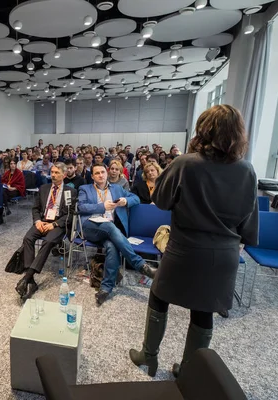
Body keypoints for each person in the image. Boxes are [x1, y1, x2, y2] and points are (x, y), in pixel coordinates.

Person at [129, 104, 259, 378]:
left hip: (185, 250)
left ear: (205, 130)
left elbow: (160, 200)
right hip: (224, 255)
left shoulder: (186, 162)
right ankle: (188, 371)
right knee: (204, 310)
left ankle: (149, 357)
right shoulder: (247, 170)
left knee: (158, 296)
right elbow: (249, 224)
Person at [78, 164, 157, 306]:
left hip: (110, 230)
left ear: (107, 174)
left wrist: (125, 201)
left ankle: (106, 288)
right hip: (90, 227)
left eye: (103, 172)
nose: (101, 175)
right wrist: (102, 207)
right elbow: (81, 207)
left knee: (112, 245)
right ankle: (139, 264)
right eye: (97, 173)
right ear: (92, 176)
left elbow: (136, 199)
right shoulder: (85, 189)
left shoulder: (117, 189)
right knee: (110, 226)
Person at [15, 163, 75, 300]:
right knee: (28, 238)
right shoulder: (43, 188)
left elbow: (70, 215)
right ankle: (30, 280)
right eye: (52, 172)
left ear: (64, 175)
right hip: (42, 221)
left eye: (57, 172)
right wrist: (38, 221)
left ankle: (28, 276)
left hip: (58, 224)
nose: (53, 175)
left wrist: (54, 224)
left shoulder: (70, 192)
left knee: (48, 241)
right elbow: (35, 208)